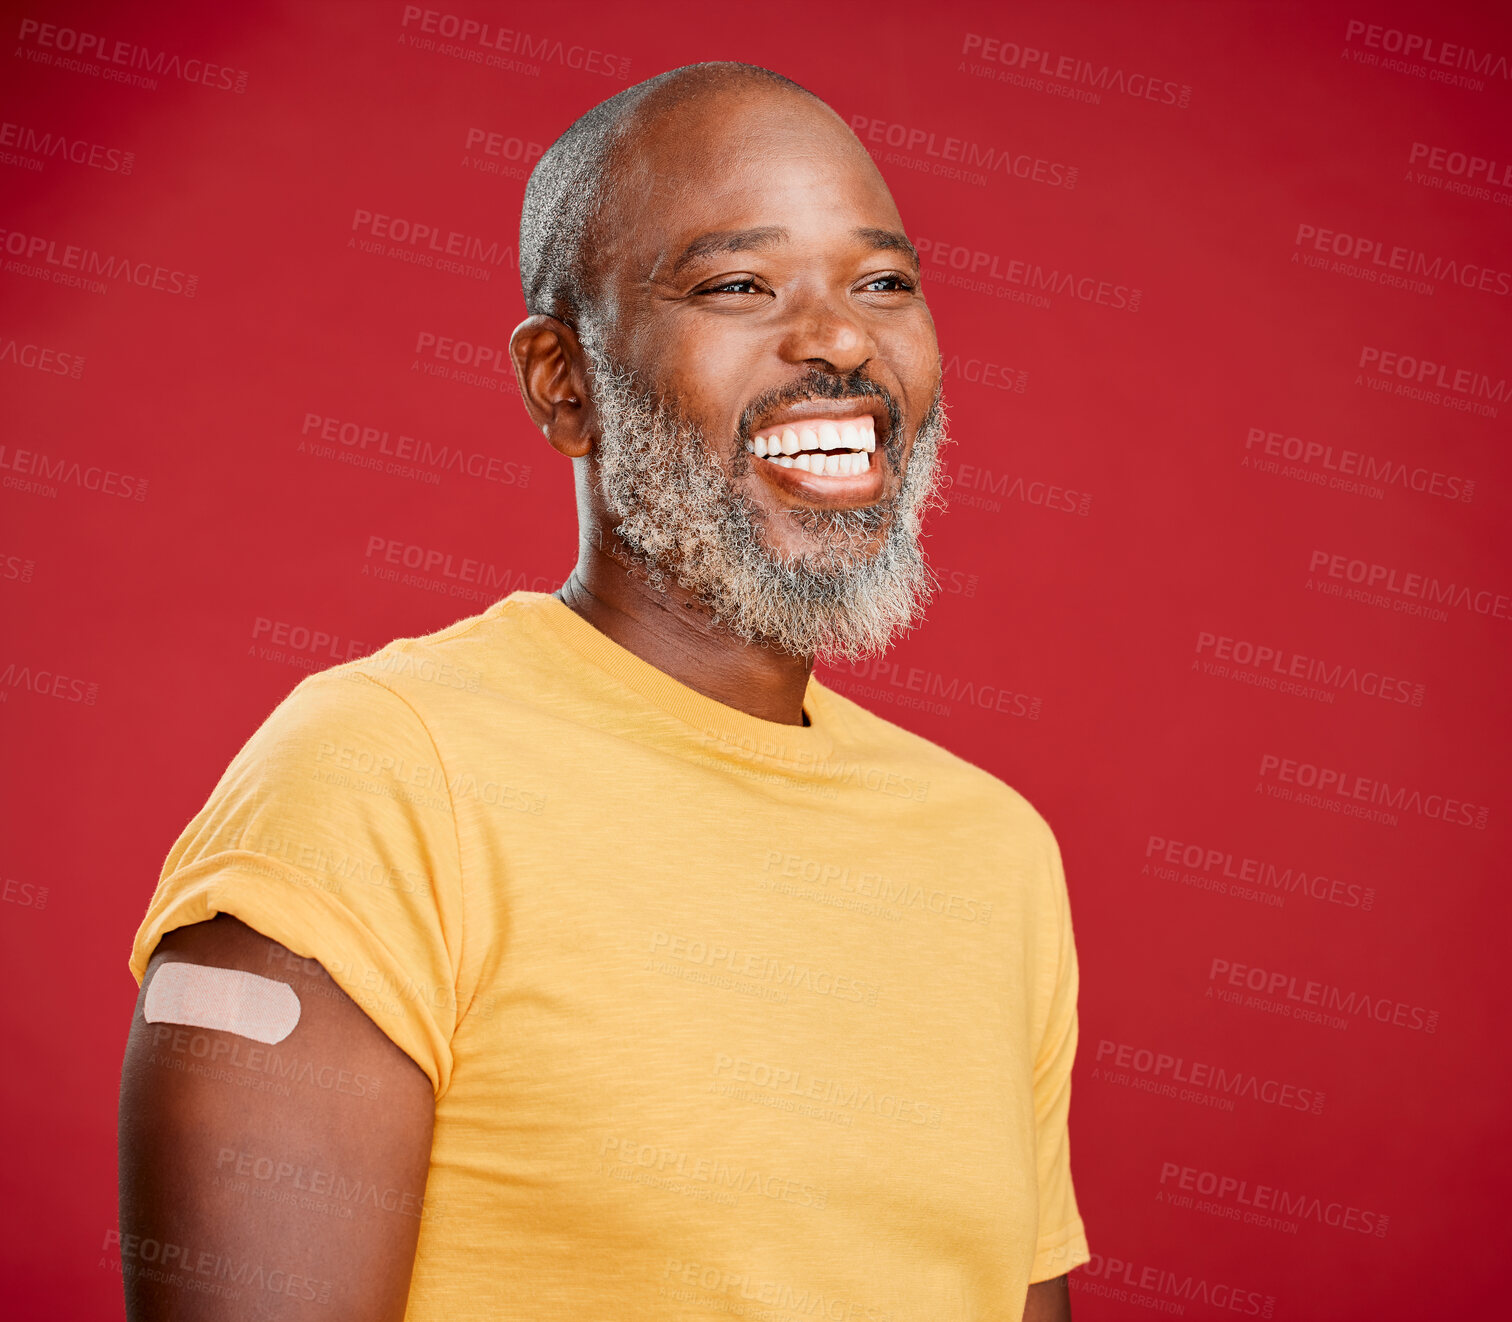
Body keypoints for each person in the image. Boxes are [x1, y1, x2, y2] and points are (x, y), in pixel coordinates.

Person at [120, 60, 1089, 1322]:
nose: (842, 339)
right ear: (563, 384)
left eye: (884, 283)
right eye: (738, 284)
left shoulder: (994, 852)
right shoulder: (376, 780)